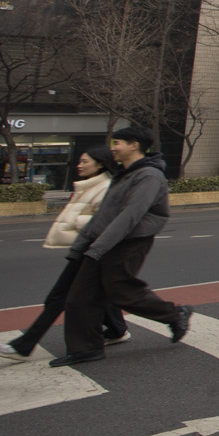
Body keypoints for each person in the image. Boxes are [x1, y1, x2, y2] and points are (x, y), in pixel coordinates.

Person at [48, 126, 192, 366]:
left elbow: (130, 216)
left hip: (129, 242)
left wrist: (98, 247)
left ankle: (175, 314)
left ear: (134, 145)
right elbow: (104, 214)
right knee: (80, 297)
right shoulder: (125, 173)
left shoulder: (149, 176)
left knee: (122, 291)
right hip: (104, 241)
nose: (113, 148)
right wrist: (83, 245)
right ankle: (86, 349)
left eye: (118, 143)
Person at [0, 149, 129, 361]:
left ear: (100, 164)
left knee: (58, 298)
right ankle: (118, 329)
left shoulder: (105, 187)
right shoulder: (88, 186)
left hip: (94, 250)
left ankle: (24, 345)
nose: (79, 165)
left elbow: (106, 221)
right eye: (80, 161)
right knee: (99, 294)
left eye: (85, 161)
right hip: (87, 248)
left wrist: (77, 222)